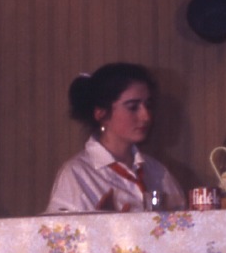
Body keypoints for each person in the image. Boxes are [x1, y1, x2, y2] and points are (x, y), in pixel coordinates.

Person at [46, 62, 186, 213]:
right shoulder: (77, 173)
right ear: (101, 113)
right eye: (133, 107)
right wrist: (104, 223)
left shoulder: (157, 171)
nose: (146, 116)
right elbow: (58, 227)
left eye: (148, 105)